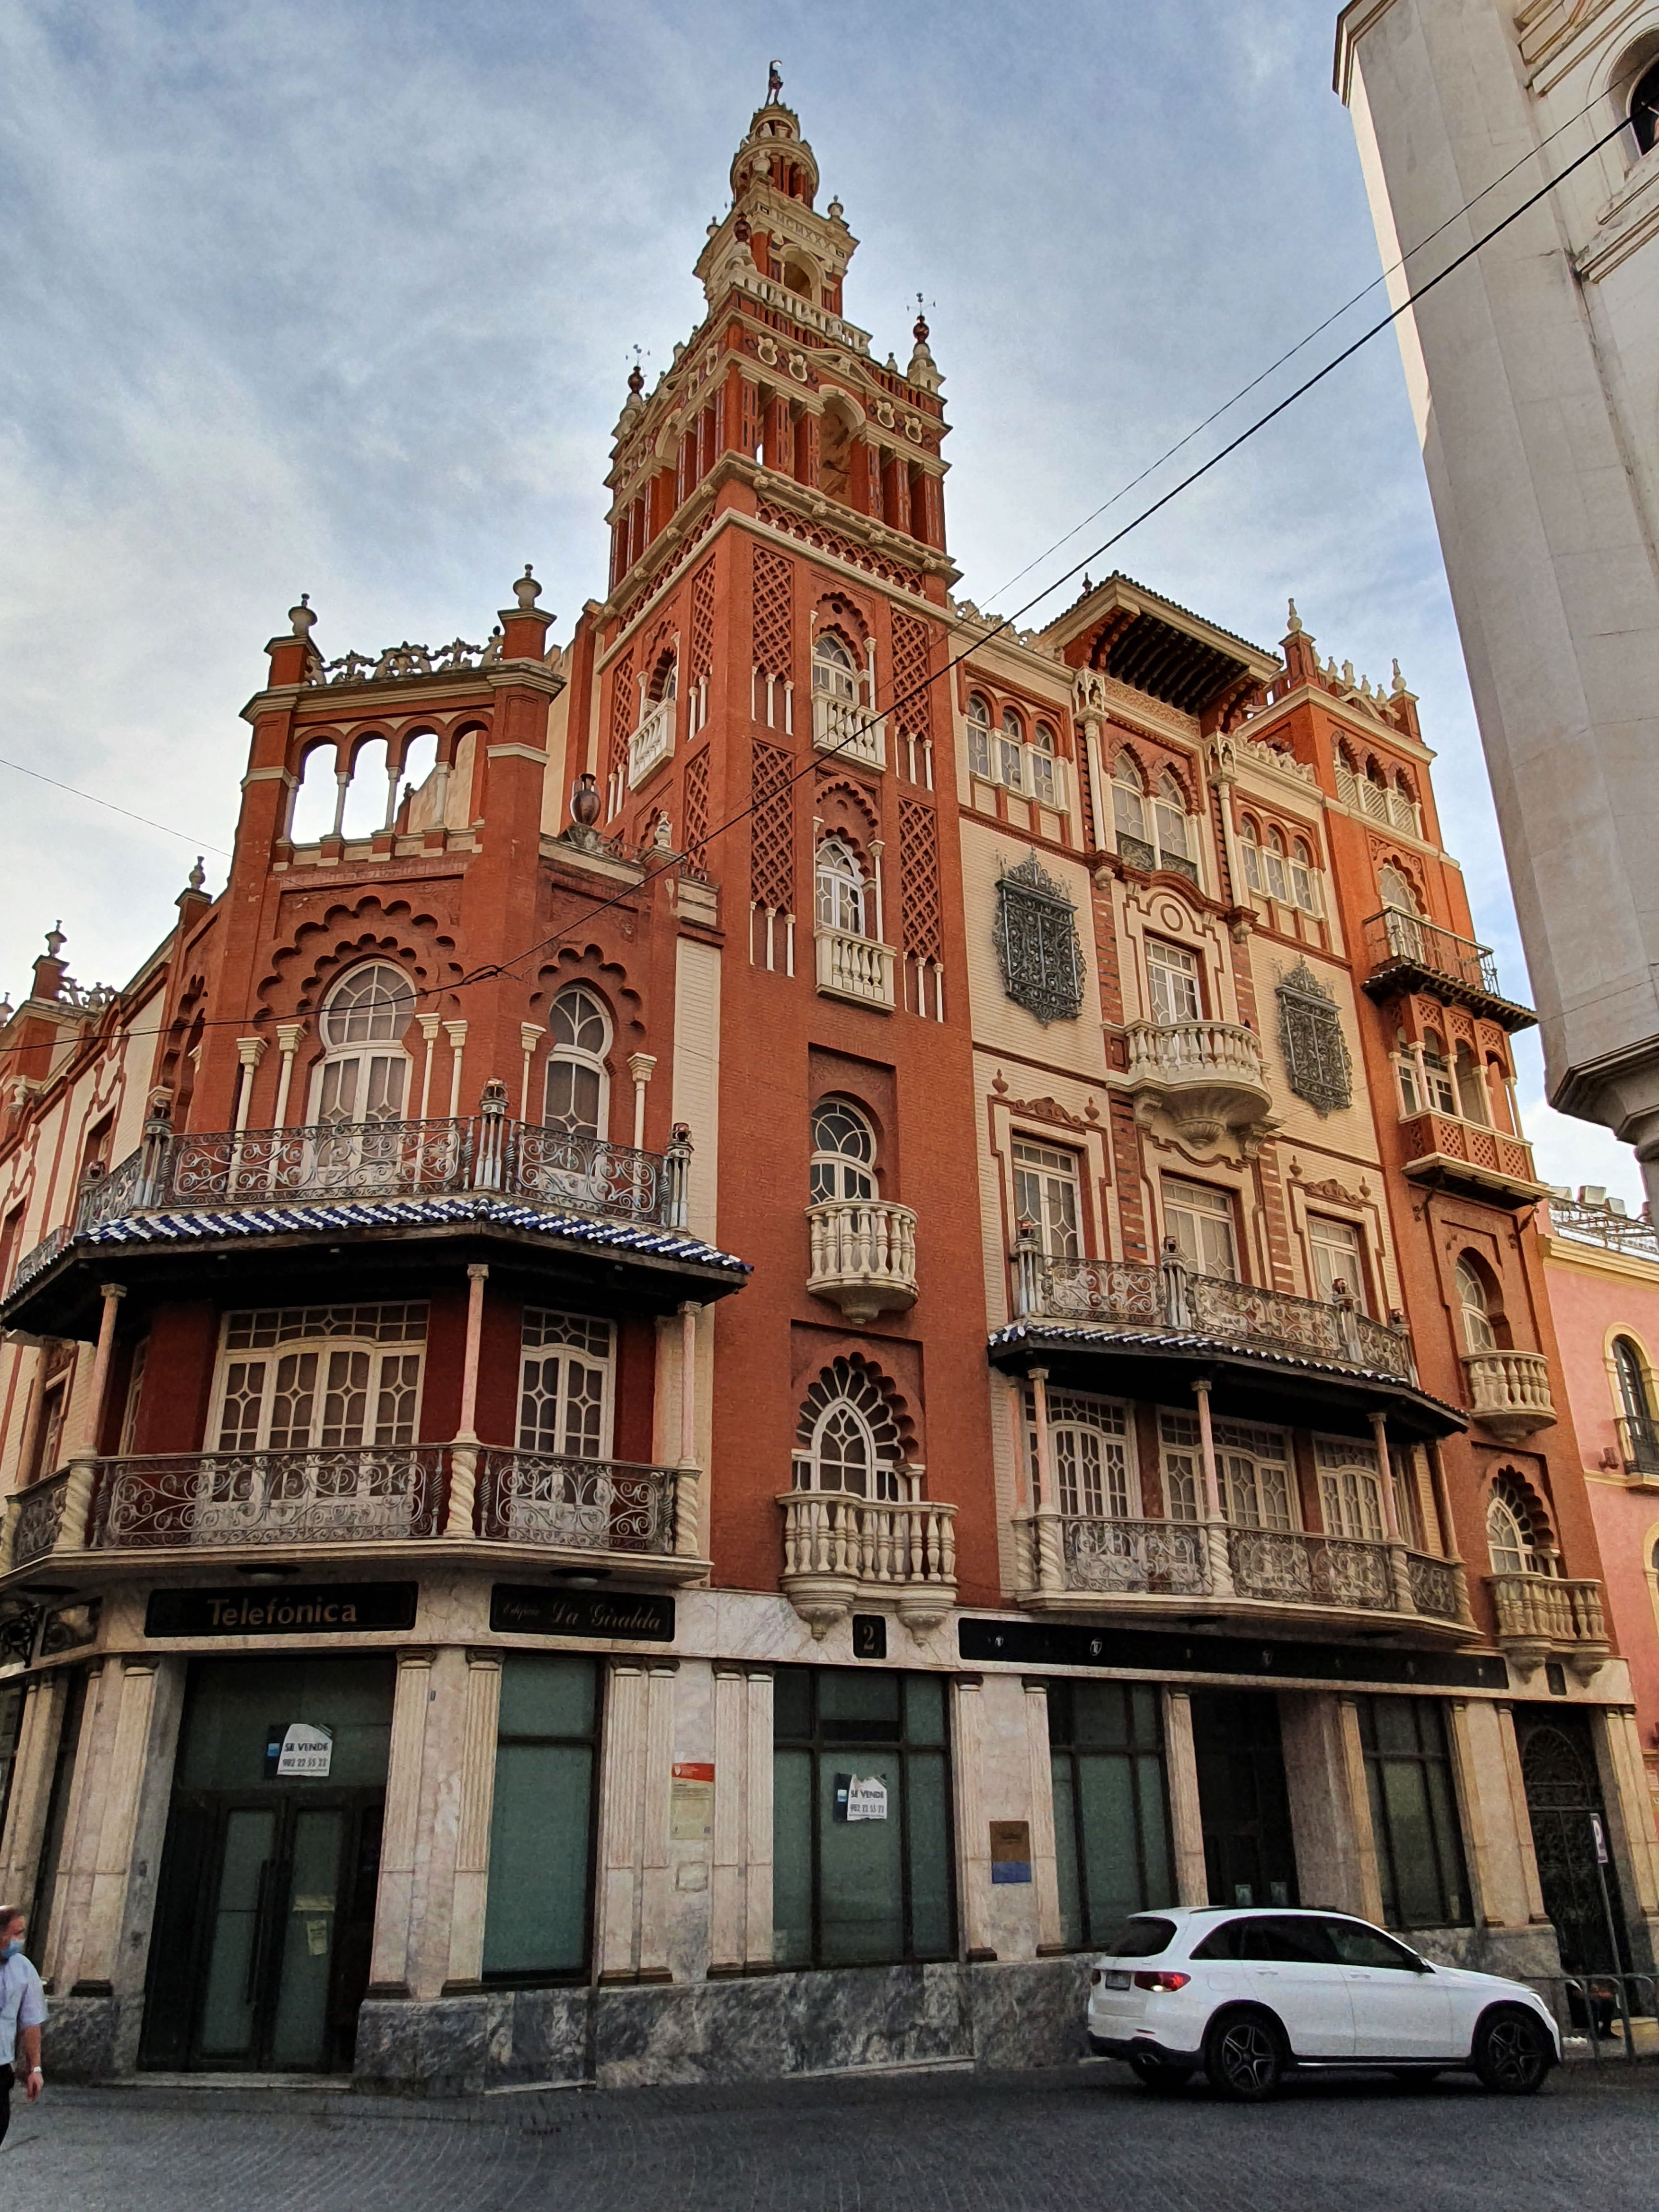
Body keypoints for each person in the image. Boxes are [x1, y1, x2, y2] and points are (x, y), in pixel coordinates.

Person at [0, 1906, 46, 2148]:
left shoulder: (24, 1968)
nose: (20, 1940)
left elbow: (31, 2022)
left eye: (22, 1933)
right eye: (16, 1933)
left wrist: (34, 2068)